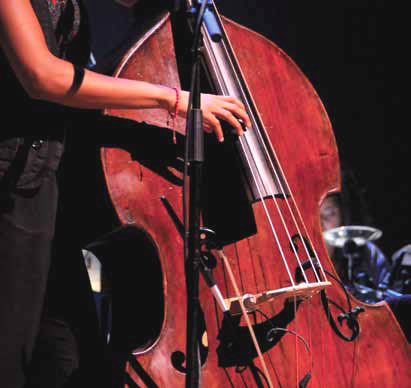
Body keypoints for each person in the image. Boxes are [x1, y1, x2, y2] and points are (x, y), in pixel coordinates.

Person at [0, 1, 251, 387]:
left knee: (69, 358)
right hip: (8, 185)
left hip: (43, 189)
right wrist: (175, 99)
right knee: (10, 356)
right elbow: (43, 76)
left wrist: (150, 137)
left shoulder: (72, 8)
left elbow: (82, 105)